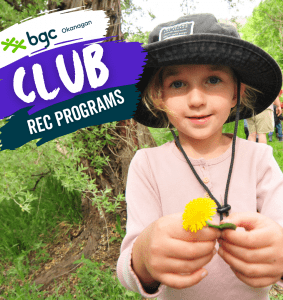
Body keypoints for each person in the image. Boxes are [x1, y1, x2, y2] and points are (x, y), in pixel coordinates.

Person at [116, 14, 283, 300]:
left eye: (213, 79)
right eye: (178, 84)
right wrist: (143, 255)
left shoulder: (259, 159)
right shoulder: (147, 166)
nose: (196, 99)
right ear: (160, 97)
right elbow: (127, 268)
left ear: (235, 93)